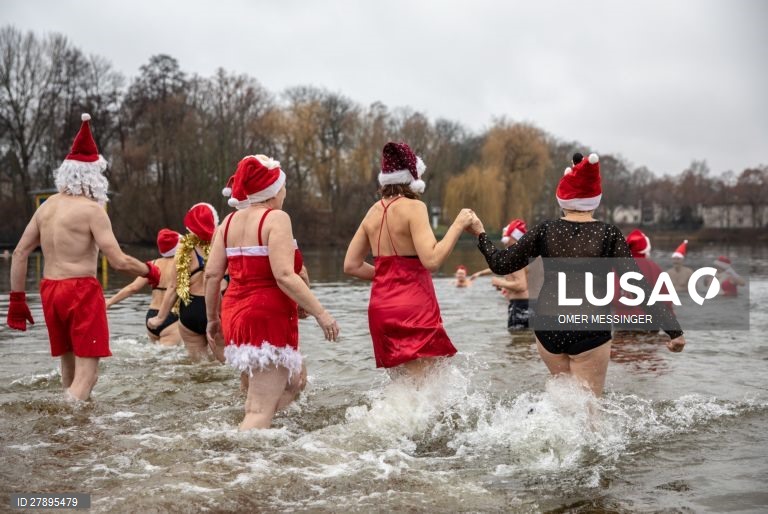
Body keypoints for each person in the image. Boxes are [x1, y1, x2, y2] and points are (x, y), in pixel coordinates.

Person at [469, 152, 685, 396]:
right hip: (589, 327)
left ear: (562, 198)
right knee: (589, 410)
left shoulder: (545, 230)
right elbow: (637, 287)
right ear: (595, 200)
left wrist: (480, 234)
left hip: (548, 326)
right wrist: (673, 331)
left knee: (564, 403)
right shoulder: (608, 234)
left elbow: (500, 263)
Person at [5, 113, 160, 401]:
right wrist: (150, 271)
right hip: (80, 291)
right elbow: (118, 261)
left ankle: (73, 437)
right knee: (88, 376)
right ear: (94, 175)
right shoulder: (92, 210)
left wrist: (16, 299)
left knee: (69, 369)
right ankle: (64, 423)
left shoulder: (46, 207)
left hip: (50, 290)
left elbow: (19, 252)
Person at [205, 154, 339, 430]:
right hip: (266, 317)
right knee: (258, 410)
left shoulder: (227, 223)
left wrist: (213, 319)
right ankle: (236, 463)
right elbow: (284, 275)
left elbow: (212, 275)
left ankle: (264, 445)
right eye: (283, 186)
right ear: (274, 190)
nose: (285, 192)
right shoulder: (275, 218)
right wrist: (321, 313)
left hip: (235, 314)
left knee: (294, 381)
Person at [344, 141, 475, 379]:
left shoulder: (372, 212)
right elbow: (432, 260)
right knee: (425, 387)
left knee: (403, 387)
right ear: (413, 178)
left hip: (381, 309)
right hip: (413, 307)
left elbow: (351, 265)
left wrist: (387, 275)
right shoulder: (414, 207)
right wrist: (458, 224)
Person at [148, 203, 220, 362]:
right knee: (223, 363)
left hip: (191, 309)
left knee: (197, 366)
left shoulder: (184, 247)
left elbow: (174, 286)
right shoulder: (223, 239)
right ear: (214, 221)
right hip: (217, 306)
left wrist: (160, 318)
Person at [106, 228, 182, 345]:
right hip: (172, 317)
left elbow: (133, 288)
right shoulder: (184, 265)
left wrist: (109, 302)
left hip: (151, 317)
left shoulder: (153, 265)